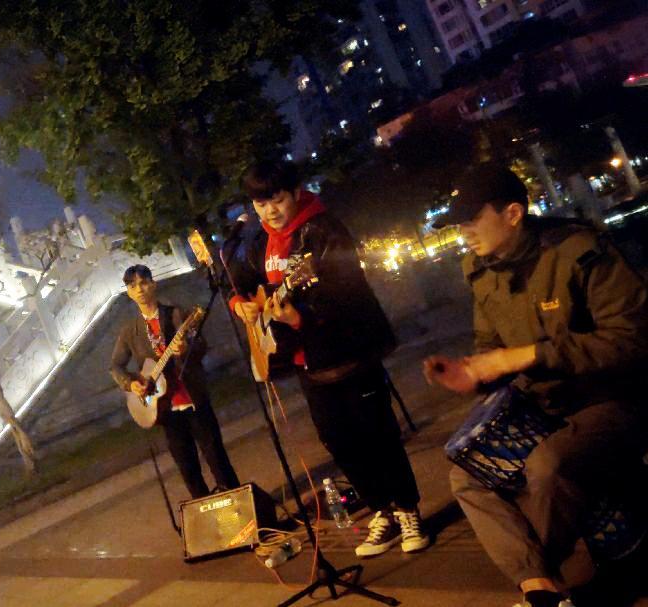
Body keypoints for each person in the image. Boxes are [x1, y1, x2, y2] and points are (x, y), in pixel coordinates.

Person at [423, 163, 648, 607]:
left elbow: (632, 339)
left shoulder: (579, 251)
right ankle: (539, 587)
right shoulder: (480, 268)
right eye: (459, 223)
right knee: (467, 474)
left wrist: (529, 355)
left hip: (612, 399)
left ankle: (551, 584)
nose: (464, 232)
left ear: (512, 214)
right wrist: (473, 373)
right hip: (543, 404)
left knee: (547, 466)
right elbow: (492, 348)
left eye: (473, 219)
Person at [227, 159, 429, 557]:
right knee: (338, 440)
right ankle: (381, 511)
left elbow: (349, 291)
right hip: (306, 362)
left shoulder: (323, 230)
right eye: (261, 204)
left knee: (378, 434)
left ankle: (407, 510)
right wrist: (240, 305)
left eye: (278, 200)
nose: (270, 211)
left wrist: (301, 316)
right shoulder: (258, 243)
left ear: (296, 192)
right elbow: (236, 281)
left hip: (350, 351)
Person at [110, 264, 241, 499]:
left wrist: (186, 349)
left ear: (153, 284)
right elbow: (116, 366)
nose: (139, 289)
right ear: (128, 292)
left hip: (192, 398)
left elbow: (201, 345)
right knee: (189, 470)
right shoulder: (130, 331)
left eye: (143, 283)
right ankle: (204, 513)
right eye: (132, 286)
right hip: (164, 409)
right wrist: (131, 384)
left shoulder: (177, 314)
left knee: (217, 460)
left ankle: (239, 507)